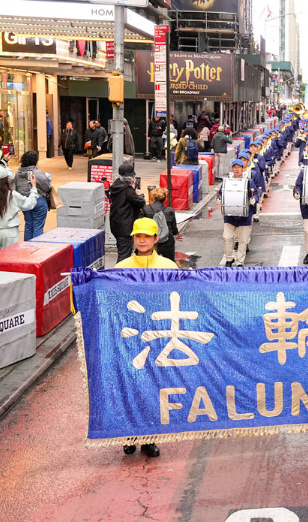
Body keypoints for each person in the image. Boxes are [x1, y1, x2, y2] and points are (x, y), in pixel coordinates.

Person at [114, 217, 177, 459]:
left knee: (153, 388)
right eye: (138, 236)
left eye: (146, 236)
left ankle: (149, 438)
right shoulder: (120, 269)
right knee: (129, 387)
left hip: (159, 339)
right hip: (129, 339)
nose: (142, 240)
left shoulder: (169, 268)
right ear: (133, 238)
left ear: (155, 239)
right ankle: (130, 436)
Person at [0, 167, 38, 256]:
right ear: (6, 180)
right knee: (11, 260)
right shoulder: (12, 195)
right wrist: (33, 189)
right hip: (9, 232)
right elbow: (29, 204)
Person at [218, 159, 257, 266]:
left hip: (244, 216)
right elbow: (221, 193)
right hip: (229, 216)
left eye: (239, 167)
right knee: (227, 237)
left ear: (242, 169)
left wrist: (254, 200)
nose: (236, 169)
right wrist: (220, 199)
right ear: (232, 169)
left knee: (243, 241)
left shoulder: (249, 181)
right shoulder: (227, 181)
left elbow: (255, 194)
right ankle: (229, 258)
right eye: (234, 167)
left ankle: (240, 262)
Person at [109, 163, 147, 263]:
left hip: (116, 224)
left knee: (123, 250)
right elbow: (140, 203)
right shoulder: (127, 191)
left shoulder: (116, 186)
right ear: (129, 178)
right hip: (125, 227)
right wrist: (139, 194)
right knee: (124, 255)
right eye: (133, 176)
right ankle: (119, 275)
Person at [14, 151, 50, 240]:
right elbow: (47, 187)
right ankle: (36, 248)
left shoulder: (18, 173)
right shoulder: (36, 173)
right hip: (38, 200)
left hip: (24, 201)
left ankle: (27, 249)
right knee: (38, 226)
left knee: (28, 225)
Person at [141, 187, 178, 261]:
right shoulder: (169, 210)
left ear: (153, 198)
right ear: (165, 199)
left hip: (152, 241)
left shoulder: (146, 209)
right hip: (167, 241)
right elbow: (174, 230)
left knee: (150, 263)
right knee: (169, 264)